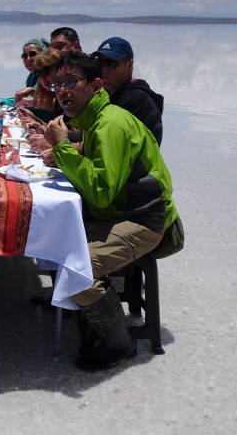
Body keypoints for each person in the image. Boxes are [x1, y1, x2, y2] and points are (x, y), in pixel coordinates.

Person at [43, 52, 182, 370]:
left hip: (144, 220)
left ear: (96, 85)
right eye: (57, 84)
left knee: (80, 270)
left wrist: (62, 147)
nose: (62, 91)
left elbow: (102, 194)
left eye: (70, 82)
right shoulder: (95, 121)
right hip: (121, 213)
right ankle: (80, 310)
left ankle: (119, 344)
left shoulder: (109, 125)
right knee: (57, 239)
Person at [93, 37, 164, 145]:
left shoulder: (136, 100)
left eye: (110, 63)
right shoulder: (115, 94)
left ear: (130, 64)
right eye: (100, 63)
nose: (104, 70)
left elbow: (101, 137)